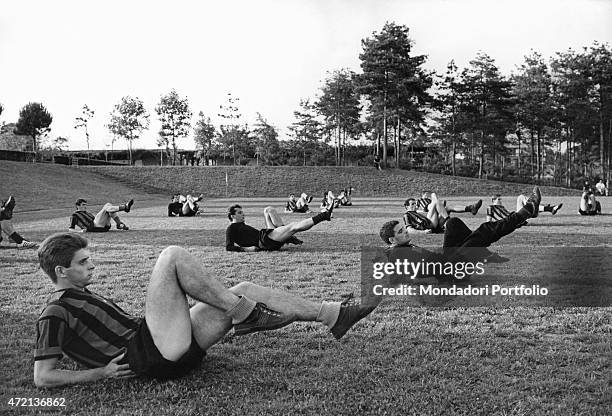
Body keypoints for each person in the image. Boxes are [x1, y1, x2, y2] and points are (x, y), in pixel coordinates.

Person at [33, 233, 378, 387]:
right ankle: (246, 315)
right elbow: (43, 377)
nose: (91, 265)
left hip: (169, 349)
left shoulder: (82, 294)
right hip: (149, 353)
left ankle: (333, 315)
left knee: (242, 290)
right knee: (171, 255)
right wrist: (98, 374)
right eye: (83, 262)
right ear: (61, 271)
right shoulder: (54, 312)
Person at [380, 187, 544, 276]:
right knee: (483, 232)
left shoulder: (399, 250)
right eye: (401, 232)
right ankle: (526, 211)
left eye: (403, 229)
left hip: (446, 260)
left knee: (453, 223)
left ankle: (482, 252)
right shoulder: (396, 256)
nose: (406, 232)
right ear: (392, 240)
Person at [226, 204, 334, 252]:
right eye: (240, 213)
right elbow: (229, 247)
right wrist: (246, 249)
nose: (243, 214)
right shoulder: (231, 229)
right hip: (265, 241)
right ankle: (324, 215)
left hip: (266, 235)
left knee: (268, 210)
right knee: (293, 226)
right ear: (233, 216)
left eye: (242, 212)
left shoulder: (241, 225)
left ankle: (287, 237)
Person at [403, 194, 482, 234]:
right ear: (407, 207)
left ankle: (471, 208)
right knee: (435, 200)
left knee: (448, 208)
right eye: (412, 204)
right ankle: (448, 220)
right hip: (428, 225)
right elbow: (409, 229)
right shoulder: (407, 215)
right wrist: (423, 232)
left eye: (415, 203)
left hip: (434, 225)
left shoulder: (416, 212)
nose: (415, 205)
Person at [69, 198, 133, 232]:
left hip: (103, 227)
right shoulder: (74, 215)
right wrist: (80, 231)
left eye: (85, 205)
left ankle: (119, 224)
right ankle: (124, 208)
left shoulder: (87, 213)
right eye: (83, 205)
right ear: (77, 206)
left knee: (108, 206)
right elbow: (71, 230)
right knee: (107, 207)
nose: (85, 206)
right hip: (94, 227)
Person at [486, 194, 562, 222]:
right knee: (521, 197)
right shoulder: (490, 207)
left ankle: (550, 209)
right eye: (499, 199)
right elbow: (488, 221)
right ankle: (548, 208)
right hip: (513, 218)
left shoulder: (501, 207)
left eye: (500, 199)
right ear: (493, 200)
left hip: (515, 217)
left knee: (532, 208)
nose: (500, 201)